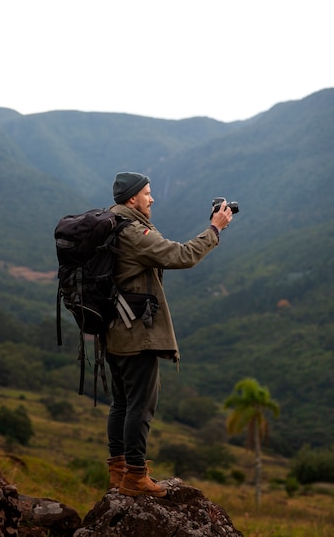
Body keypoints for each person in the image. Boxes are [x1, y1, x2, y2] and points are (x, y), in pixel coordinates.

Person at [105, 171, 233, 497]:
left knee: (121, 404)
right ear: (132, 198)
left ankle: (118, 470)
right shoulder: (132, 231)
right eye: (147, 193)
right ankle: (135, 476)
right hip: (137, 335)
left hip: (113, 330)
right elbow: (180, 255)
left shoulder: (110, 222)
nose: (152, 199)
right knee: (140, 407)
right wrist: (215, 229)